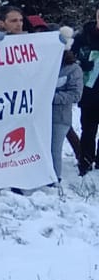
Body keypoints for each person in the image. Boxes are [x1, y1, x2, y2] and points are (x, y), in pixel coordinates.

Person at [52, 31, 81, 185]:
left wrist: (52, 98)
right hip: (40, 116)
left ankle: (54, 179)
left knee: (54, 149)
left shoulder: (73, 69)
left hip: (60, 117)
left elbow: (76, 94)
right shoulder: (46, 65)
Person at [73, 10, 99, 177]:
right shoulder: (83, 36)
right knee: (88, 129)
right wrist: (81, 63)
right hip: (89, 90)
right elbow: (70, 57)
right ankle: (85, 162)